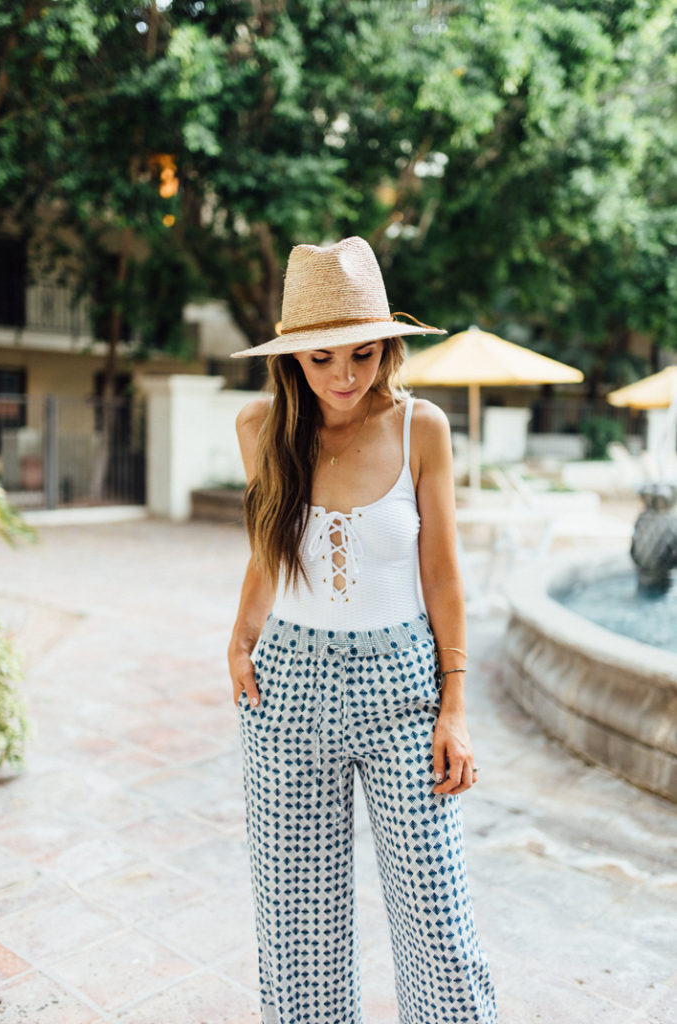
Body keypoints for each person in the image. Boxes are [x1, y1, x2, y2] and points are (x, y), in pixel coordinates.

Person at [227, 236, 498, 1024]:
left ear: (387, 345)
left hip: (403, 684)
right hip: (285, 686)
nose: (345, 376)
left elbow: (443, 576)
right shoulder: (259, 429)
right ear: (291, 361)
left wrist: (454, 707)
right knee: (296, 922)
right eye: (322, 360)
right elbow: (270, 549)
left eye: (364, 353)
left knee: (436, 915)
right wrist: (241, 635)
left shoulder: (422, 428)